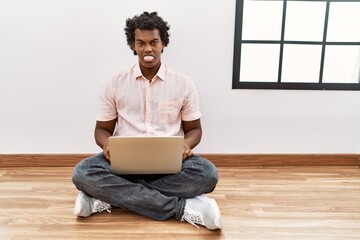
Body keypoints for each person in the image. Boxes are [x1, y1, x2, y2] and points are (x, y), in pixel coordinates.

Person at [72, 11, 222, 230]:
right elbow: (101, 130)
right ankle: (183, 208)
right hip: (123, 164)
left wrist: (186, 145)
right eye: (141, 43)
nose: (148, 49)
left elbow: (195, 130)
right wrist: (106, 145)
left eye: (154, 42)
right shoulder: (114, 83)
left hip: (171, 164)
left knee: (207, 174)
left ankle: (106, 198)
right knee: (83, 172)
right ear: (133, 46)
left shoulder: (184, 83)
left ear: (163, 44)